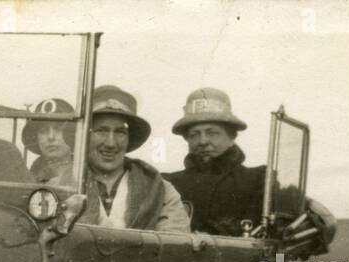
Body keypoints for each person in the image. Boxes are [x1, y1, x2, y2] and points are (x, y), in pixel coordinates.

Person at [72, 85, 191, 233]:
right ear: (84, 136)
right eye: (101, 131)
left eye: (120, 132)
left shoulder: (160, 189)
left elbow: (174, 243)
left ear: (129, 138)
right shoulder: (64, 185)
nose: (110, 143)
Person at [164, 88, 266, 236]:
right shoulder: (168, 183)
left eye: (212, 133)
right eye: (194, 134)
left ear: (231, 137)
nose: (203, 141)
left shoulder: (258, 181)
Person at [21, 97, 79, 186]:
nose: (51, 137)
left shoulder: (83, 173)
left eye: (58, 129)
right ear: (36, 137)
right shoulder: (28, 177)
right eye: (43, 131)